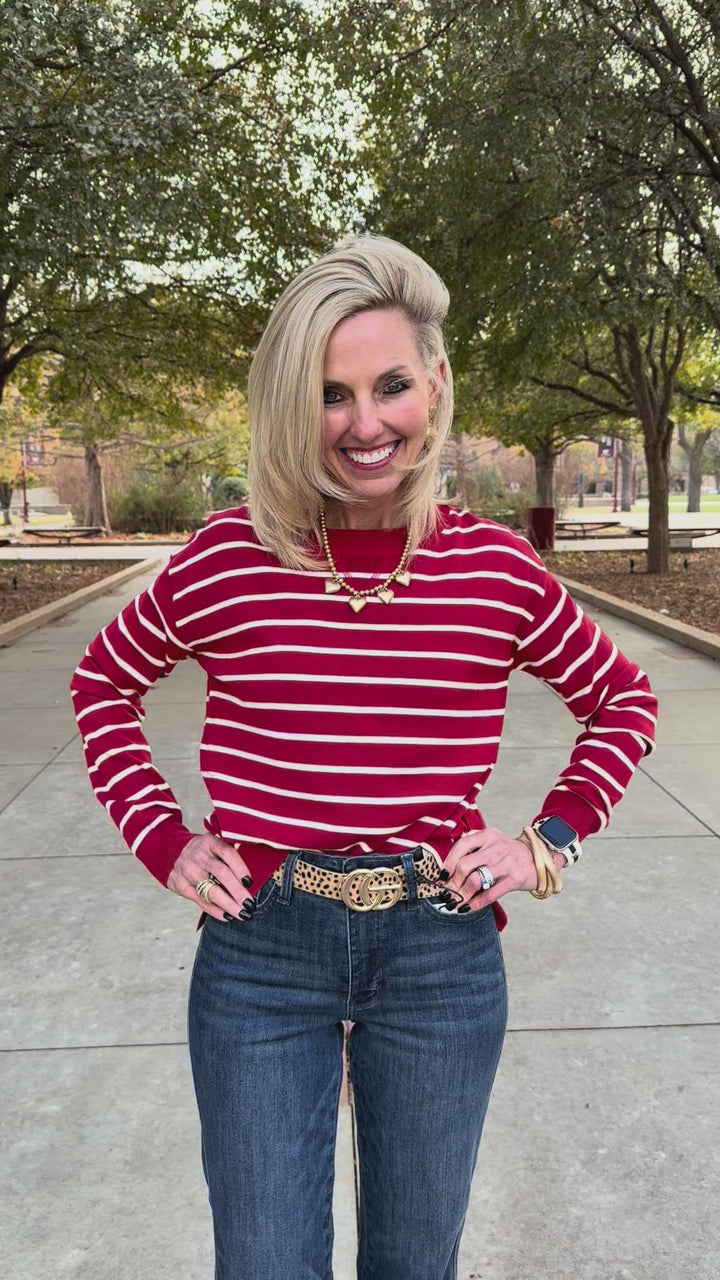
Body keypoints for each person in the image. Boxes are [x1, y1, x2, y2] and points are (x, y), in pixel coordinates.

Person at [70, 235, 658, 1280]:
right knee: (263, 1261)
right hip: (261, 950)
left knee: (415, 1261)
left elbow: (624, 699)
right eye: (329, 395)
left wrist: (544, 844)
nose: (364, 423)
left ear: (434, 384)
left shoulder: (493, 569)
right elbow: (101, 682)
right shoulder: (228, 558)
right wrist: (163, 839)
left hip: (439, 953)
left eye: (390, 385)